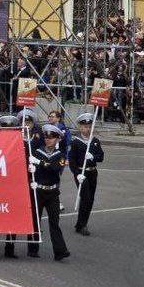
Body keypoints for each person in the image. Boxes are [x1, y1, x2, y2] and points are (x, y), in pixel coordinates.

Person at [28, 124, 71, 261]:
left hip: (52, 192)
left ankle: (60, 251)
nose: (48, 140)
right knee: (35, 221)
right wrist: (30, 170)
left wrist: (39, 163)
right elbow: (32, 169)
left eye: (52, 137)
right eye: (46, 137)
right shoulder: (36, 152)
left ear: (58, 139)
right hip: (38, 190)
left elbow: (54, 168)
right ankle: (33, 248)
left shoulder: (61, 155)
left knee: (54, 222)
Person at [66, 112, 104, 236]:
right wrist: (77, 174)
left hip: (92, 172)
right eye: (84, 126)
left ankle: (81, 223)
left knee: (90, 199)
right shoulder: (76, 142)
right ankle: (83, 225)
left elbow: (101, 157)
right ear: (80, 127)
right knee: (85, 198)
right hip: (81, 174)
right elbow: (71, 161)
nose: (86, 129)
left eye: (88, 126)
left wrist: (93, 157)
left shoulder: (95, 141)